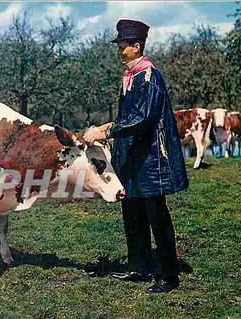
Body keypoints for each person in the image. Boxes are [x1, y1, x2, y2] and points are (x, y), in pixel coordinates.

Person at [85, 19, 189, 293]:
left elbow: (144, 118)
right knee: (132, 213)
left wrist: (106, 133)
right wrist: (109, 126)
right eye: (119, 46)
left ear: (137, 46)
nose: (119, 51)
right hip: (133, 159)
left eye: (123, 46)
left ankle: (168, 276)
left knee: (157, 215)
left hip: (151, 159)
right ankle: (139, 267)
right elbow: (129, 117)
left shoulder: (149, 77)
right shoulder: (131, 77)